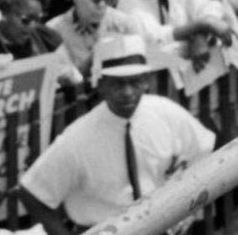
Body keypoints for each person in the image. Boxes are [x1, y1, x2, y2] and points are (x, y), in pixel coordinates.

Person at [17, 34, 215, 235]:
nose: (128, 92)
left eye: (134, 81)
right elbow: (32, 193)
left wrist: (188, 207)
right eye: (118, 83)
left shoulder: (166, 113)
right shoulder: (78, 138)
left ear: (146, 81)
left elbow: (203, 152)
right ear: (101, 84)